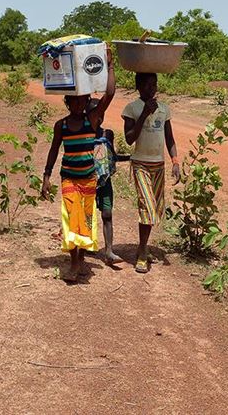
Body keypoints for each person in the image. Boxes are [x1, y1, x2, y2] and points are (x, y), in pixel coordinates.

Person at [42, 48, 115, 282]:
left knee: (85, 220)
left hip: (89, 179)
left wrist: (110, 66)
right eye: (73, 100)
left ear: (85, 101)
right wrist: (46, 177)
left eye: (81, 100)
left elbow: (109, 95)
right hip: (70, 179)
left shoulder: (91, 120)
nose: (77, 103)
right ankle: (74, 264)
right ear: (67, 101)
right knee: (71, 218)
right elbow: (54, 150)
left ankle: (81, 258)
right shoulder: (60, 125)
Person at [121, 73, 180, 274]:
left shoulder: (164, 109)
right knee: (146, 206)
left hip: (158, 165)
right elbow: (129, 139)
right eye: (147, 84)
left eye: (154, 84)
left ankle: (141, 246)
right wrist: (145, 114)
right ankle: (143, 252)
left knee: (154, 209)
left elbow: (169, 138)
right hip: (140, 164)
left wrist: (175, 161)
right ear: (138, 86)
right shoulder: (132, 109)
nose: (152, 88)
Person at [87, 98, 130, 266]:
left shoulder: (107, 134)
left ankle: (109, 250)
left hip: (105, 182)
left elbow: (113, 157)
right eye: (94, 114)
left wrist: (130, 158)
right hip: (87, 181)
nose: (98, 118)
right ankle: (84, 247)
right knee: (86, 216)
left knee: (107, 214)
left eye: (101, 114)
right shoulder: (84, 135)